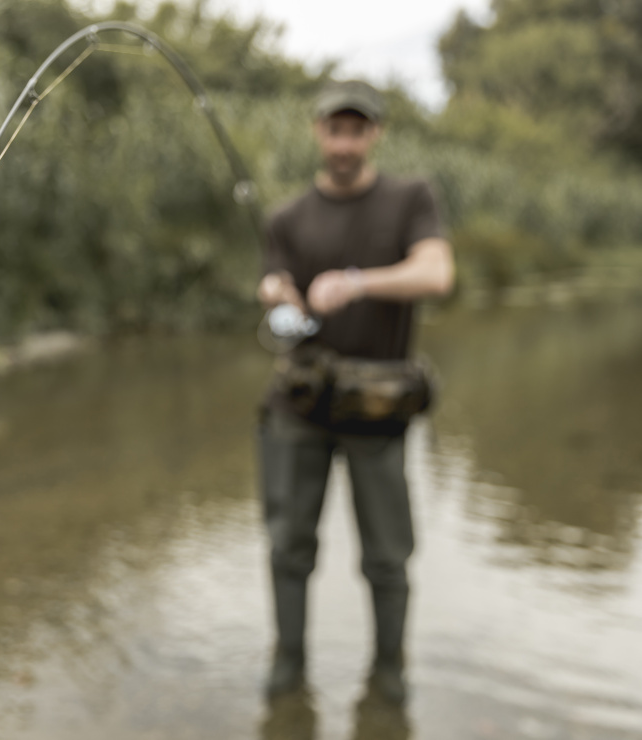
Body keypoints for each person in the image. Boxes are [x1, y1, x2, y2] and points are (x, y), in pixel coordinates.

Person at [256, 79, 455, 705]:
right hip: (300, 407)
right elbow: (274, 290)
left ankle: (388, 673)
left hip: (377, 409)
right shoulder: (285, 218)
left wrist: (357, 282)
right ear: (318, 131)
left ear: (375, 134)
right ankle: (289, 667)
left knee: (387, 555)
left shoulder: (410, 198)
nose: (344, 141)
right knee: (289, 543)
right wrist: (277, 296)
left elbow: (438, 273)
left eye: (357, 129)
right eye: (334, 128)